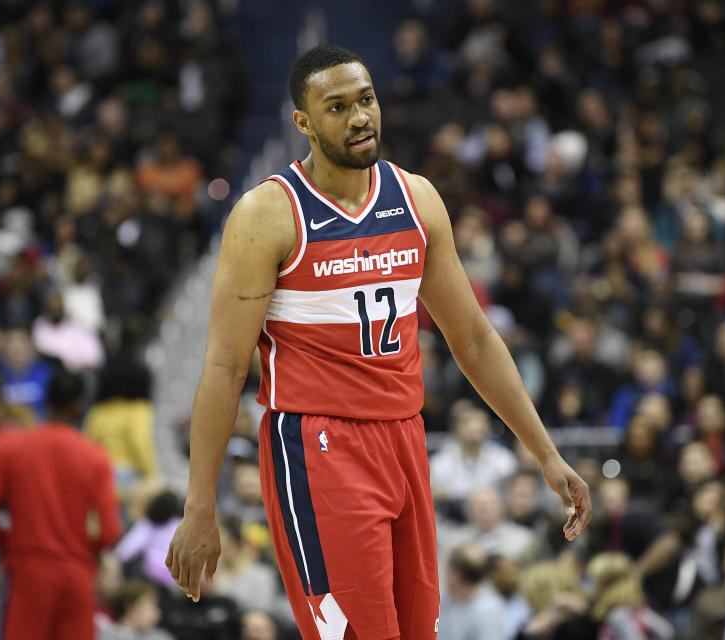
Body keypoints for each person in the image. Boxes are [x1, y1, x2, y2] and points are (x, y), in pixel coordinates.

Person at [165, 44, 591, 640]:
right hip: (317, 446)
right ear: (304, 124)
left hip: (404, 437)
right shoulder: (267, 214)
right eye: (336, 107)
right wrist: (199, 505)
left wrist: (544, 452)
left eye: (365, 99)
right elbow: (224, 365)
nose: (359, 117)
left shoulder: (416, 198)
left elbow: (471, 336)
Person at [0, 369, 122, 639]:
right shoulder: (96, 458)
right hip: (77, 576)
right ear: (79, 406)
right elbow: (110, 531)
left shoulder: (10, 450)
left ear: (47, 401)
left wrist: (14, 544)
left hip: (27, 573)